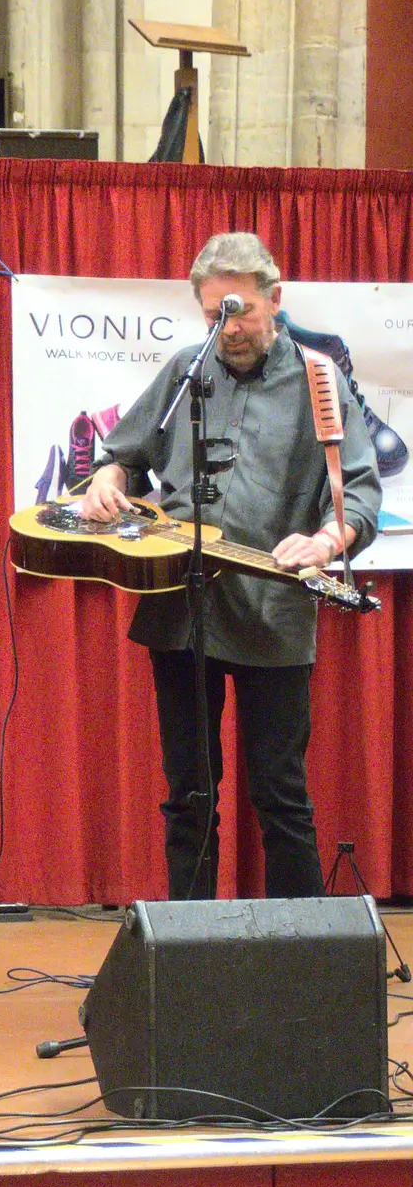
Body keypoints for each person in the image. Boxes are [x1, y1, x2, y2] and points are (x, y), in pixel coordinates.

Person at [77, 233, 380, 901]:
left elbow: (360, 496)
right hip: (182, 613)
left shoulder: (319, 381)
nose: (230, 329)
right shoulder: (189, 368)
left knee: (281, 795)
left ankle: (297, 956)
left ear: (277, 300)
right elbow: (123, 450)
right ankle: (189, 951)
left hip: (274, 615)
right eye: (216, 315)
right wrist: (108, 476)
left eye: (241, 312)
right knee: (187, 793)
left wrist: (328, 541)